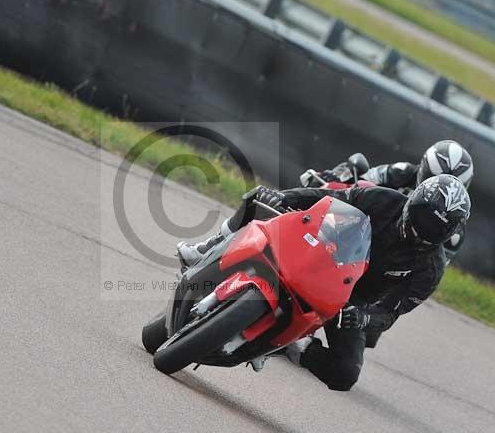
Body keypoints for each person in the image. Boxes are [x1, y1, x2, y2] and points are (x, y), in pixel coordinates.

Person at [177, 174, 471, 391]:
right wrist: (283, 197)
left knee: (345, 374)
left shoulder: (430, 270)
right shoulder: (383, 199)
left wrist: (362, 317)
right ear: (414, 202)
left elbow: (390, 313)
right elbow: (325, 198)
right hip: (326, 253)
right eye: (423, 217)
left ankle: (292, 347)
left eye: (435, 229)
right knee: (258, 198)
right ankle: (210, 247)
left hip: (350, 301)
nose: (423, 231)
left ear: (449, 235)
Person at [300, 140, 474, 261]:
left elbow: (429, 269)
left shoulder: (454, 228)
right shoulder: (403, 171)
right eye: (433, 178)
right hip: (357, 229)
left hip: (391, 260)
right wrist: (335, 178)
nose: (440, 188)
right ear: (424, 168)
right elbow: (360, 179)